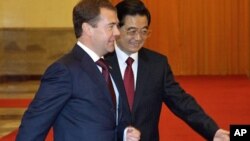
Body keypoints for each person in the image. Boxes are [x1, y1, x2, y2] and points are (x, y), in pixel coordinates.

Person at [105, 0, 230, 141]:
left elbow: (182, 102)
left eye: (144, 31)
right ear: (116, 28)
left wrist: (213, 131)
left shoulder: (157, 64)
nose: (138, 38)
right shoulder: (100, 62)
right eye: (132, 31)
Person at [16, 0, 140, 141]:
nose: (117, 33)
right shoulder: (64, 71)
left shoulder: (107, 67)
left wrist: (123, 133)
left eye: (117, 26)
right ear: (87, 29)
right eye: (111, 26)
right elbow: (33, 127)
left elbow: (107, 118)